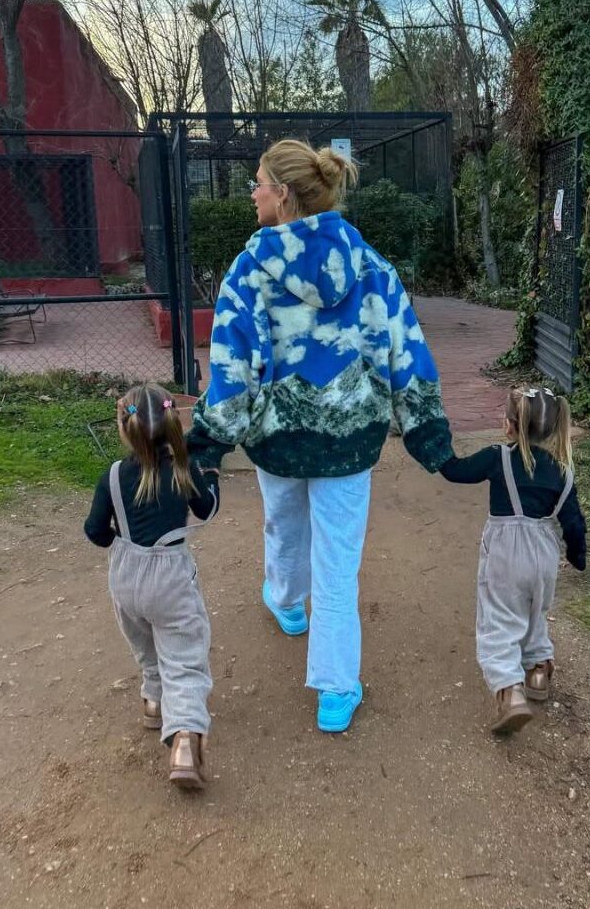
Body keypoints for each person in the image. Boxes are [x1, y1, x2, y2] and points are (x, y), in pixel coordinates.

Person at [186, 138, 454, 735]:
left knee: (283, 521)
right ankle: (336, 687)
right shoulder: (371, 266)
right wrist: (427, 431)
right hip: (351, 442)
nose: (251, 194)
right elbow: (403, 347)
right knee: (339, 561)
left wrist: (206, 445)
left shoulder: (249, 269)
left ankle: (284, 600)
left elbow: (233, 366)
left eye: (257, 182)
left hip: (276, 440)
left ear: (282, 195)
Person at [85, 383, 222, 789]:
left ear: (124, 427)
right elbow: (207, 508)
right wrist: (211, 476)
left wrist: (120, 545)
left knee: (145, 645)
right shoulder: (184, 469)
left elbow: (94, 531)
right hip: (170, 577)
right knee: (183, 658)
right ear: (172, 422)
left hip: (125, 577)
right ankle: (184, 740)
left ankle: (152, 702)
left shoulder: (111, 476)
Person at [439, 386, 586, 735]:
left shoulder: (497, 457)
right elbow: (574, 522)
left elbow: (454, 471)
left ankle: (510, 692)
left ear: (509, 425)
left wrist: (438, 442)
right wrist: (578, 556)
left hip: (506, 553)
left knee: (499, 620)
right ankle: (537, 671)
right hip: (544, 553)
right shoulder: (561, 470)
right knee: (534, 611)